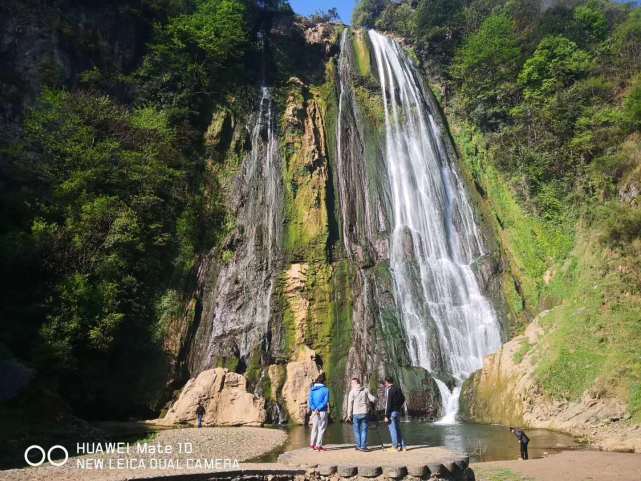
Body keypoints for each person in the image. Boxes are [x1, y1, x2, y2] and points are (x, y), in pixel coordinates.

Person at [346, 377, 376, 451]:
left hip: (355, 413)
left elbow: (349, 404)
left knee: (356, 430)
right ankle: (363, 446)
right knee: (364, 430)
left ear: (356, 383)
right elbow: (372, 399)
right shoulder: (365, 390)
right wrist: (375, 400)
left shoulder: (352, 392)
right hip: (364, 412)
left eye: (352, 383)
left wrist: (348, 414)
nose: (351, 384)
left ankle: (359, 445)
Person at [383, 376, 406, 451]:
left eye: (385, 382)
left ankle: (395, 446)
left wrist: (386, 415)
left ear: (387, 382)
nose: (385, 384)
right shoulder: (398, 389)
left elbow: (388, 404)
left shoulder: (390, 390)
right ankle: (403, 446)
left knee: (392, 429)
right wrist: (399, 406)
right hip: (398, 411)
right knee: (398, 429)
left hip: (391, 412)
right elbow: (403, 398)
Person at [308, 373, 330, 451]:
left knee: (314, 427)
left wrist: (314, 408)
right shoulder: (326, 390)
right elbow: (325, 401)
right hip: (322, 411)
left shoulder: (312, 389)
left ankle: (312, 444)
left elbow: (310, 401)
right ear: (323, 381)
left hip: (314, 411)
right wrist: (319, 408)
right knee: (321, 428)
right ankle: (318, 445)